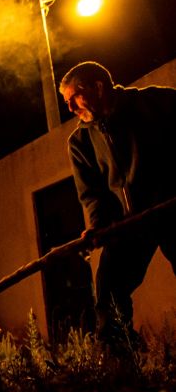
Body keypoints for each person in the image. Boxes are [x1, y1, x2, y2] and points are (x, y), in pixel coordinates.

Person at [60, 61, 176, 350]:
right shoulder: (80, 142)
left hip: (174, 210)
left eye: (74, 97)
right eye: (67, 102)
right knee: (110, 293)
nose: (71, 109)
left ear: (98, 87)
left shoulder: (156, 103)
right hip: (130, 223)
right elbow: (93, 195)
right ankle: (120, 360)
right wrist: (98, 227)